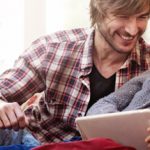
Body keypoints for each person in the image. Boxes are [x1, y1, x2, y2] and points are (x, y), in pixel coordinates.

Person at [0, 0, 150, 148]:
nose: (132, 29)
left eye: (142, 17)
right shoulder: (52, 49)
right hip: (34, 143)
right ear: (99, 11)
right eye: (122, 16)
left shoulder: (147, 66)